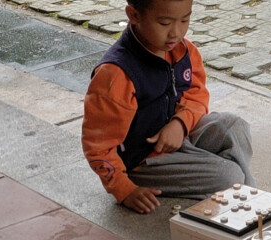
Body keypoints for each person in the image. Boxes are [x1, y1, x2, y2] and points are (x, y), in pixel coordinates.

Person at [82, 0, 255, 214]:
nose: (176, 32)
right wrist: (125, 189)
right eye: (164, 23)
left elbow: (197, 94)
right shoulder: (116, 75)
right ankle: (241, 194)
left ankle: (239, 192)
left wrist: (180, 123)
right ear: (134, 15)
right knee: (229, 176)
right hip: (142, 161)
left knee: (234, 126)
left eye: (185, 20)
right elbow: (98, 145)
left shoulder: (184, 51)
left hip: (178, 136)